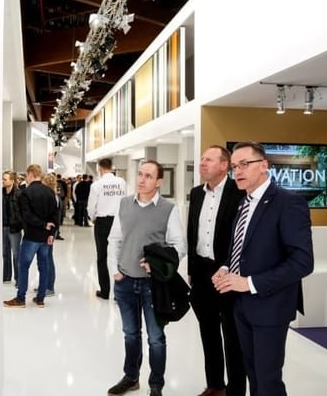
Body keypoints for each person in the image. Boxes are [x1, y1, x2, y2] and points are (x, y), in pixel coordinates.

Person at [212, 141, 314, 396]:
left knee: (268, 380)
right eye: (235, 166)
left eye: (244, 164)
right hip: (241, 305)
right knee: (254, 375)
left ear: (264, 165)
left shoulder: (288, 203)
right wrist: (225, 267)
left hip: (271, 306)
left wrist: (249, 283)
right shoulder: (243, 203)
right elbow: (240, 249)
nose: (238, 171)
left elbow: (303, 262)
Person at [107, 160, 187, 396]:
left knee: (156, 338)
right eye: (140, 174)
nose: (141, 180)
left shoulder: (168, 209)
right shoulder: (124, 204)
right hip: (125, 281)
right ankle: (131, 377)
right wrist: (115, 270)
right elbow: (114, 239)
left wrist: (158, 265)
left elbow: (179, 246)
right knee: (131, 334)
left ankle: (156, 385)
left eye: (148, 176)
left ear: (159, 181)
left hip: (154, 285)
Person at [187, 146, 246, 396]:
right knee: (208, 331)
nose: (202, 163)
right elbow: (192, 233)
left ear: (224, 166)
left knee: (232, 335)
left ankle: (236, 390)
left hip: (227, 271)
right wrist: (191, 270)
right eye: (202, 159)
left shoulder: (238, 192)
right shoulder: (196, 193)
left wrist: (231, 268)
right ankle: (215, 385)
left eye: (209, 160)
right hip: (201, 272)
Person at [4, 164, 58, 308]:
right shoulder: (50, 192)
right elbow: (55, 215)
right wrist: (51, 232)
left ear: (30, 174)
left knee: (23, 266)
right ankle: (40, 299)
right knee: (43, 266)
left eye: (26, 176)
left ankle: (20, 298)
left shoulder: (26, 193)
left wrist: (42, 225)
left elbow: (27, 216)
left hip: (31, 236)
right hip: (46, 237)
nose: (26, 178)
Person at [87, 158, 126, 300]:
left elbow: (92, 206)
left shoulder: (97, 185)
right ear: (112, 167)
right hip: (119, 220)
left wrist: (92, 217)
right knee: (120, 255)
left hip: (102, 221)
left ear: (99, 168)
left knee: (102, 256)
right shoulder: (121, 182)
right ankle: (120, 292)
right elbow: (125, 201)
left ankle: (105, 291)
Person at [42, 173, 62, 296]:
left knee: (47, 258)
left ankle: (49, 287)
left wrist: (52, 232)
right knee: (45, 258)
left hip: (50, 231)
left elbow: (55, 218)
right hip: (50, 231)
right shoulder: (53, 196)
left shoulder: (52, 197)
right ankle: (45, 284)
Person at [2, 170, 23, 285]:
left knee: (16, 254)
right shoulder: (0, 193)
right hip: (3, 227)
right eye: (2, 179)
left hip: (14, 228)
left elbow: (22, 212)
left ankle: (18, 278)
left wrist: (19, 224)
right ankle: (6, 276)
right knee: (5, 253)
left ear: (12, 181)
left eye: (5, 179)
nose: (3, 181)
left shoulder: (19, 194)